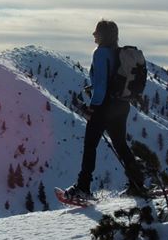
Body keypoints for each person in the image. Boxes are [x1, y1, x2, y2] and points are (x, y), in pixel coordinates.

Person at [63, 20, 147, 203]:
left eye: (97, 32)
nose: (93, 34)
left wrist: (93, 106)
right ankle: (138, 184)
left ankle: (83, 188)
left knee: (90, 146)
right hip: (121, 105)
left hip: (104, 106)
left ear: (102, 35)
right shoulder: (118, 52)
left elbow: (102, 84)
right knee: (121, 145)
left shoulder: (100, 53)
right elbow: (111, 79)